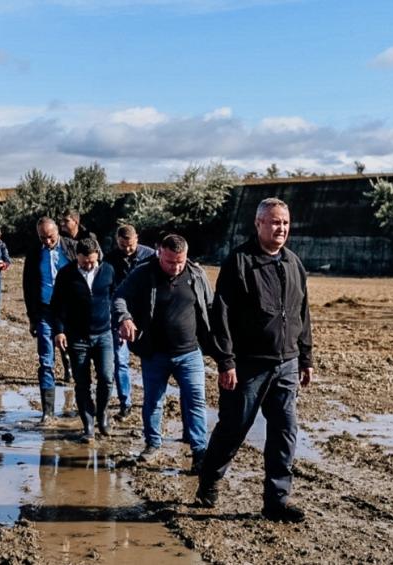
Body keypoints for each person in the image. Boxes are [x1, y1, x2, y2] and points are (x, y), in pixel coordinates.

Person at [196, 197, 314, 524]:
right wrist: (226, 361)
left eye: (285, 223)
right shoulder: (239, 262)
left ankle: (276, 500)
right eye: (275, 222)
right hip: (247, 366)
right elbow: (221, 315)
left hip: (286, 363)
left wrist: (305, 356)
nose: (281, 229)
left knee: (284, 430)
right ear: (259, 224)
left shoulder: (293, 263)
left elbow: (302, 313)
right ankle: (209, 480)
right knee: (234, 427)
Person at [113, 234, 214, 472]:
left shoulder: (197, 274)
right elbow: (119, 297)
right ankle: (152, 444)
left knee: (196, 400)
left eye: (180, 261)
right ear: (160, 253)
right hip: (155, 353)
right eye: (170, 262)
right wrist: (125, 318)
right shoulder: (143, 273)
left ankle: (199, 450)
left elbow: (211, 306)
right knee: (154, 401)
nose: (175, 267)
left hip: (190, 353)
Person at [50, 237, 117, 443]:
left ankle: (102, 413)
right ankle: (88, 425)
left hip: (104, 334)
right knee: (82, 383)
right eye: (84, 262)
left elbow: (116, 297)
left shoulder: (107, 271)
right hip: (77, 337)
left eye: (92, 262)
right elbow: (57, 306)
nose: (89, 265)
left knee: (106, 377)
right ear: (77, 256)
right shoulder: (66, 274)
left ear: (98, 256)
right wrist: (59, 331)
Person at [23, 217, 77, 422]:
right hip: (44, 311)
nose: (47, 241)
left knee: (77, 356)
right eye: (42, 237)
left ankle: (83, 407)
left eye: (50, 237)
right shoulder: (35, 252)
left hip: (71, 312)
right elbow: (28, 285)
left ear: (58, 233)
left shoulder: (71, 248)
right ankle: (48, 412)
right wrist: (32, 317)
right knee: (46, 360)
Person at [104, 224, 156, 419]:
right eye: (122, 245)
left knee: (150, 361)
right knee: (120, 360)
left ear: (137, 239)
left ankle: (151, 400)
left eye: (130, 245)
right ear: (117, 241)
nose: (126, 249)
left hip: (146, 317)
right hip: (120, 315)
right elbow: (109, 291)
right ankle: (125, 403)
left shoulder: (151, 256)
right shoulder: (109, 260)